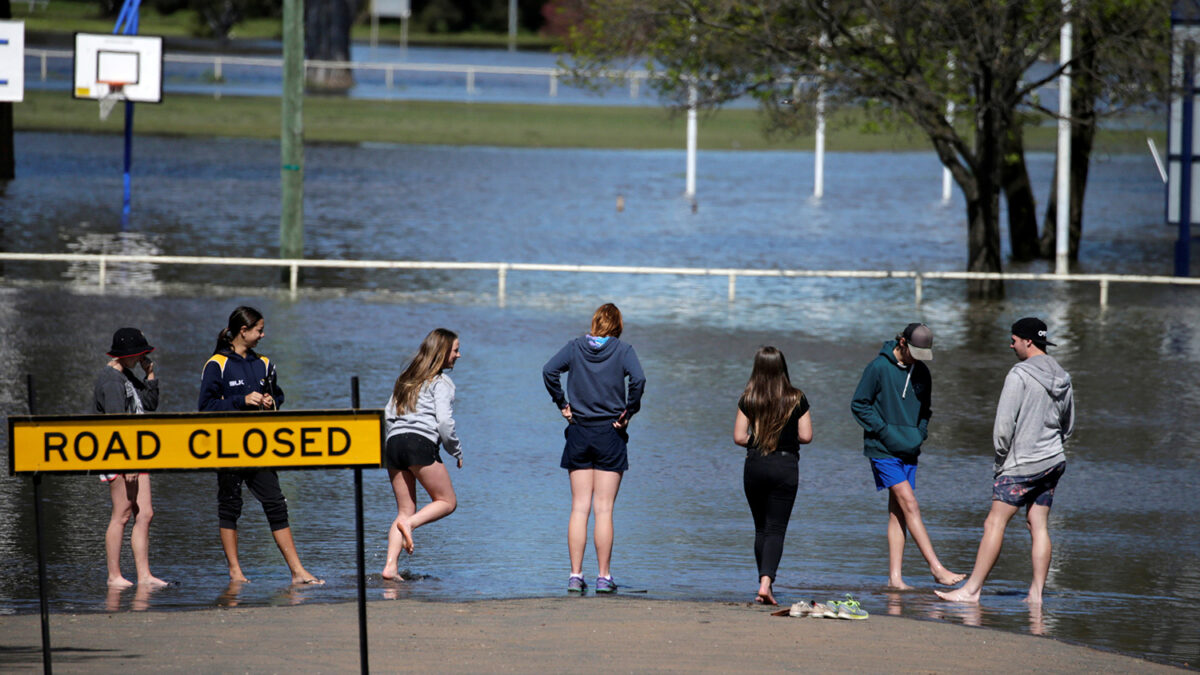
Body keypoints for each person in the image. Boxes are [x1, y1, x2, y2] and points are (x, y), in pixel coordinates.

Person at [936, 317, 1074, 605]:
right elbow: (1069, 425)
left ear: (1028, 341)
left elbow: (1003, 428)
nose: (1010, 344)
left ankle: (971, 590)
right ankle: (1035, 595)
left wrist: (1001, 462)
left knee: (994, 523)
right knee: (1038, 524)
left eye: (1014, 339)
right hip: (1053, 460)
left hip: (1022, 463)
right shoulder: (1063, 375)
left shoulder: (1019, 374)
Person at [198, 306, 323, 586]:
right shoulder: (216, 364)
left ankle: (297, 572)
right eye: (259, 330)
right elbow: (205, 408)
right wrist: (241, 401)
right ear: (243, 331)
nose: (263, 335)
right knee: (230, 507)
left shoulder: (264, 363)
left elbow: (278, 396)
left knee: (276, 504)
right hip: (228, 447)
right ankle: (235, 573)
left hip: (260, 448)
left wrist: (270, 402)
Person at [851, 322, 964, 590]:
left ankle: (895, 579)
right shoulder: (878, 368)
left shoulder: (922, 372)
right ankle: (937, 569)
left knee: (899, 513)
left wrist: (919, 433)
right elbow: (859, 404)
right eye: (914, 351)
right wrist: (884, 431)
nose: (918, 358)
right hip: (883, 449)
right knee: (911, 504)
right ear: (902, 342)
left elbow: (925, 410)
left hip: (910, 449)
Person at [542, 303, 646, 594]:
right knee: (604, 509)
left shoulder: (575, 347)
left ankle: (575, 576)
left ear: (595, 323)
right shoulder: (624, 351)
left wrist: (562, 403)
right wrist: (629, 412)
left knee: (579, 507)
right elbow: (638, 380)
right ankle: (604, 577)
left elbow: (549, 370)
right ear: (617, 326)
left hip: (579, 431)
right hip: (610, 434)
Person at [381, 328, 464, 580]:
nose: (459, 356)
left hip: (393, 443)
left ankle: (390, 567)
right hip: (419, 443)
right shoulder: (441, 383)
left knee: (404, 509)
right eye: (455, 350)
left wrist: (394, 443)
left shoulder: (406, 378)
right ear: (441, 353)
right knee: (447, 502)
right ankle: (410, 525)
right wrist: (455, 450)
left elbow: (387, 414)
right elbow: (445, 423)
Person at [733, 346, 813, 606]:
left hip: (755, 465)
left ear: (757, 368)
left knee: (761, 528)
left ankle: (762, 584)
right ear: (782, 367)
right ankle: (766, 584)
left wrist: (758, 439)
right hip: (785, 466)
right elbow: (806, 436)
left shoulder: (749, 398)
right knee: (776, 529)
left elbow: (738, 437)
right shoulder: (796, 398)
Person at [95, 327, 169, 589]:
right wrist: (127, 462)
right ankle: (114, 576)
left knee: (145, 513)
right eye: (139, 355)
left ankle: (144, 575)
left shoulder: (126, 376)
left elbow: (149, 405)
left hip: (136, 452)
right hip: (119, 454)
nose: (141, 358)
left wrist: (149, 375)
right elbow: (117, 425)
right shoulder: (112, 381)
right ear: (125, 355)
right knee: (122, 514)